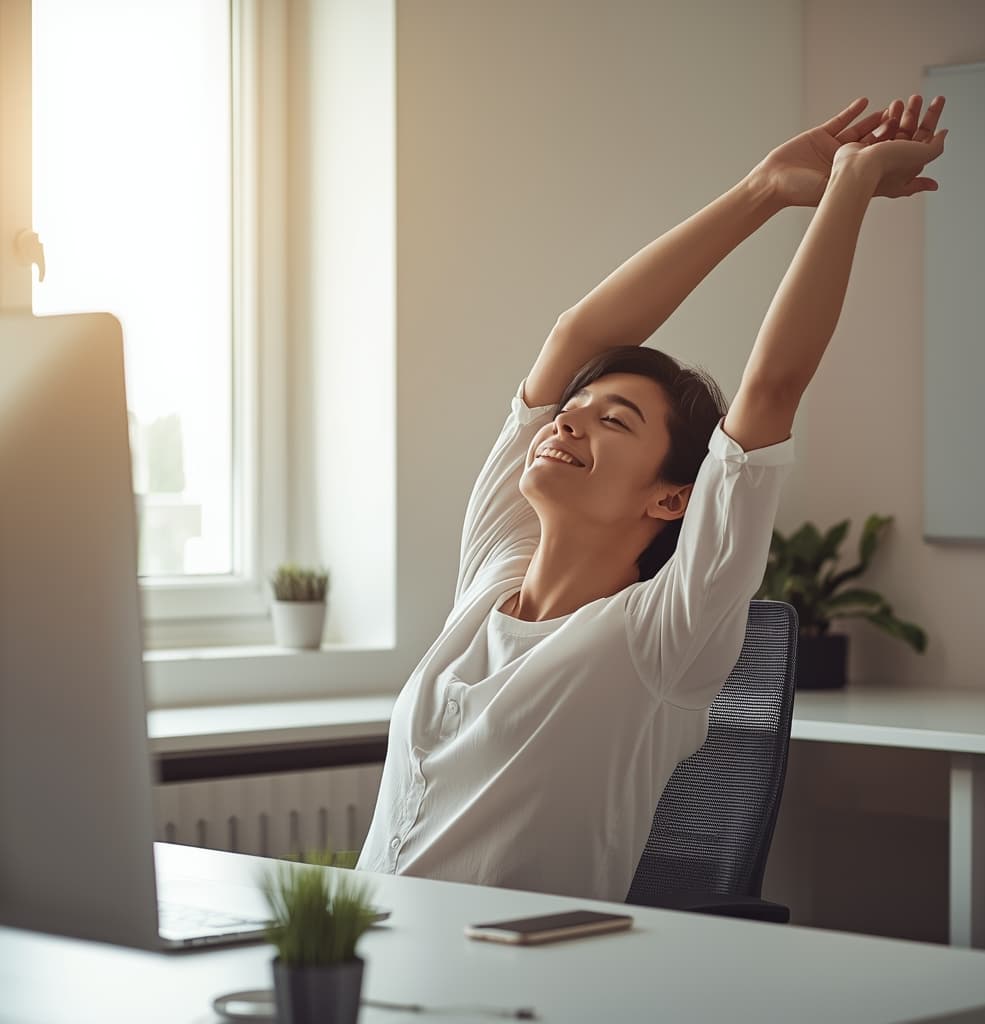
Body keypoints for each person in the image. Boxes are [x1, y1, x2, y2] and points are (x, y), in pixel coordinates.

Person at [355, 94, 948, 902]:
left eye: (615, 419)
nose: (568, 417)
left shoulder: (664, 635)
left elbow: (772, 389)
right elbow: (576, 340)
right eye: (574, 408)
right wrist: (763, 190)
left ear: (673, 499)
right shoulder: (495, 570)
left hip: (519, 987)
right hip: (368, 962)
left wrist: (849, 184)